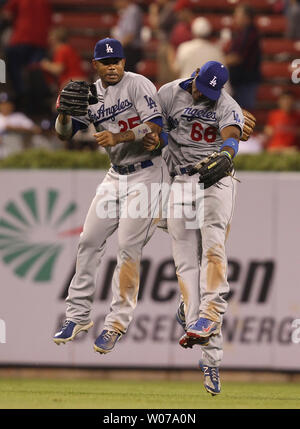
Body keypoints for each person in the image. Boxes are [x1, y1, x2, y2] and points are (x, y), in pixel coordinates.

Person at [143, 61, 255, 396]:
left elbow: (233, 136)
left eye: (211, 92)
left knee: (214, 246)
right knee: (185, 262)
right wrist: (154, 136)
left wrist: (227, 152)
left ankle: (209, 340)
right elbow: (154, 128)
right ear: (194, 75)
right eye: (201, 87)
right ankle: (202, 338)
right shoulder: (168, 93)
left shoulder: (225, 103)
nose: (204, 95)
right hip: (179, 180)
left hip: (215, 179)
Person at [52, 38, 164, 355]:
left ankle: (115, 324)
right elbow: (64, 133)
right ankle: (77, 317)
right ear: (96, 65)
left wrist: (119, 136)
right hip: (116, 175)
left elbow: (155, 128)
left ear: (124, 63)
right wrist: (62, 114)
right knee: (88, 241)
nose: (113, 66)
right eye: (106, 61)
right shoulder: (90, 94)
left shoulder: (138, 84)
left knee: (128, 249)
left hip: (147, 174)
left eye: (117, 61)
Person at [1, 0, 52, 109]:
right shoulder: (44, 2)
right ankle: (36, 99)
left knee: (11, 64)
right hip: (41, 41)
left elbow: (7, 14)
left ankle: (20, 94)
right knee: (34, 68)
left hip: (21, 38)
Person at [225, 3, 261, 110]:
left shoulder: (250, 34)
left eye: (237, 15)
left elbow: (238, 57)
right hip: (239, 81)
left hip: (246, 82)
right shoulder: (242, 33)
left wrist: (220, 60)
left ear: (246, 17)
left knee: (243, 114)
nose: (235, 18)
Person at [173, 17, 228, 84]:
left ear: (193, 32)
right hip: (207, 91)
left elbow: (176, 70)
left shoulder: (184, 48)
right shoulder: (216, 51)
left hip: (186, 90)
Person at [0, 92, 41, 158]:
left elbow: (37, 130)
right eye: (3, 104)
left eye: (7, 103)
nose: (5, 106)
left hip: (18, 153)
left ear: (12, 105)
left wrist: (15, 129)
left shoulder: (19, 117)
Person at [148, 0, 177, 85]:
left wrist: (153, 12)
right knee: (163, 76)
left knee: (168, 76)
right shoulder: (166, 8)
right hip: (165, 44)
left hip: (169, 45)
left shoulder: (171, 7)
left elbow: (156, 24)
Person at [112, 0, 143, 73]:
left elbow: (130, 35)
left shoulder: (133, 11)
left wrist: (116, 48)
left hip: (131, 51)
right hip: (125, 49)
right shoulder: (125, 12)